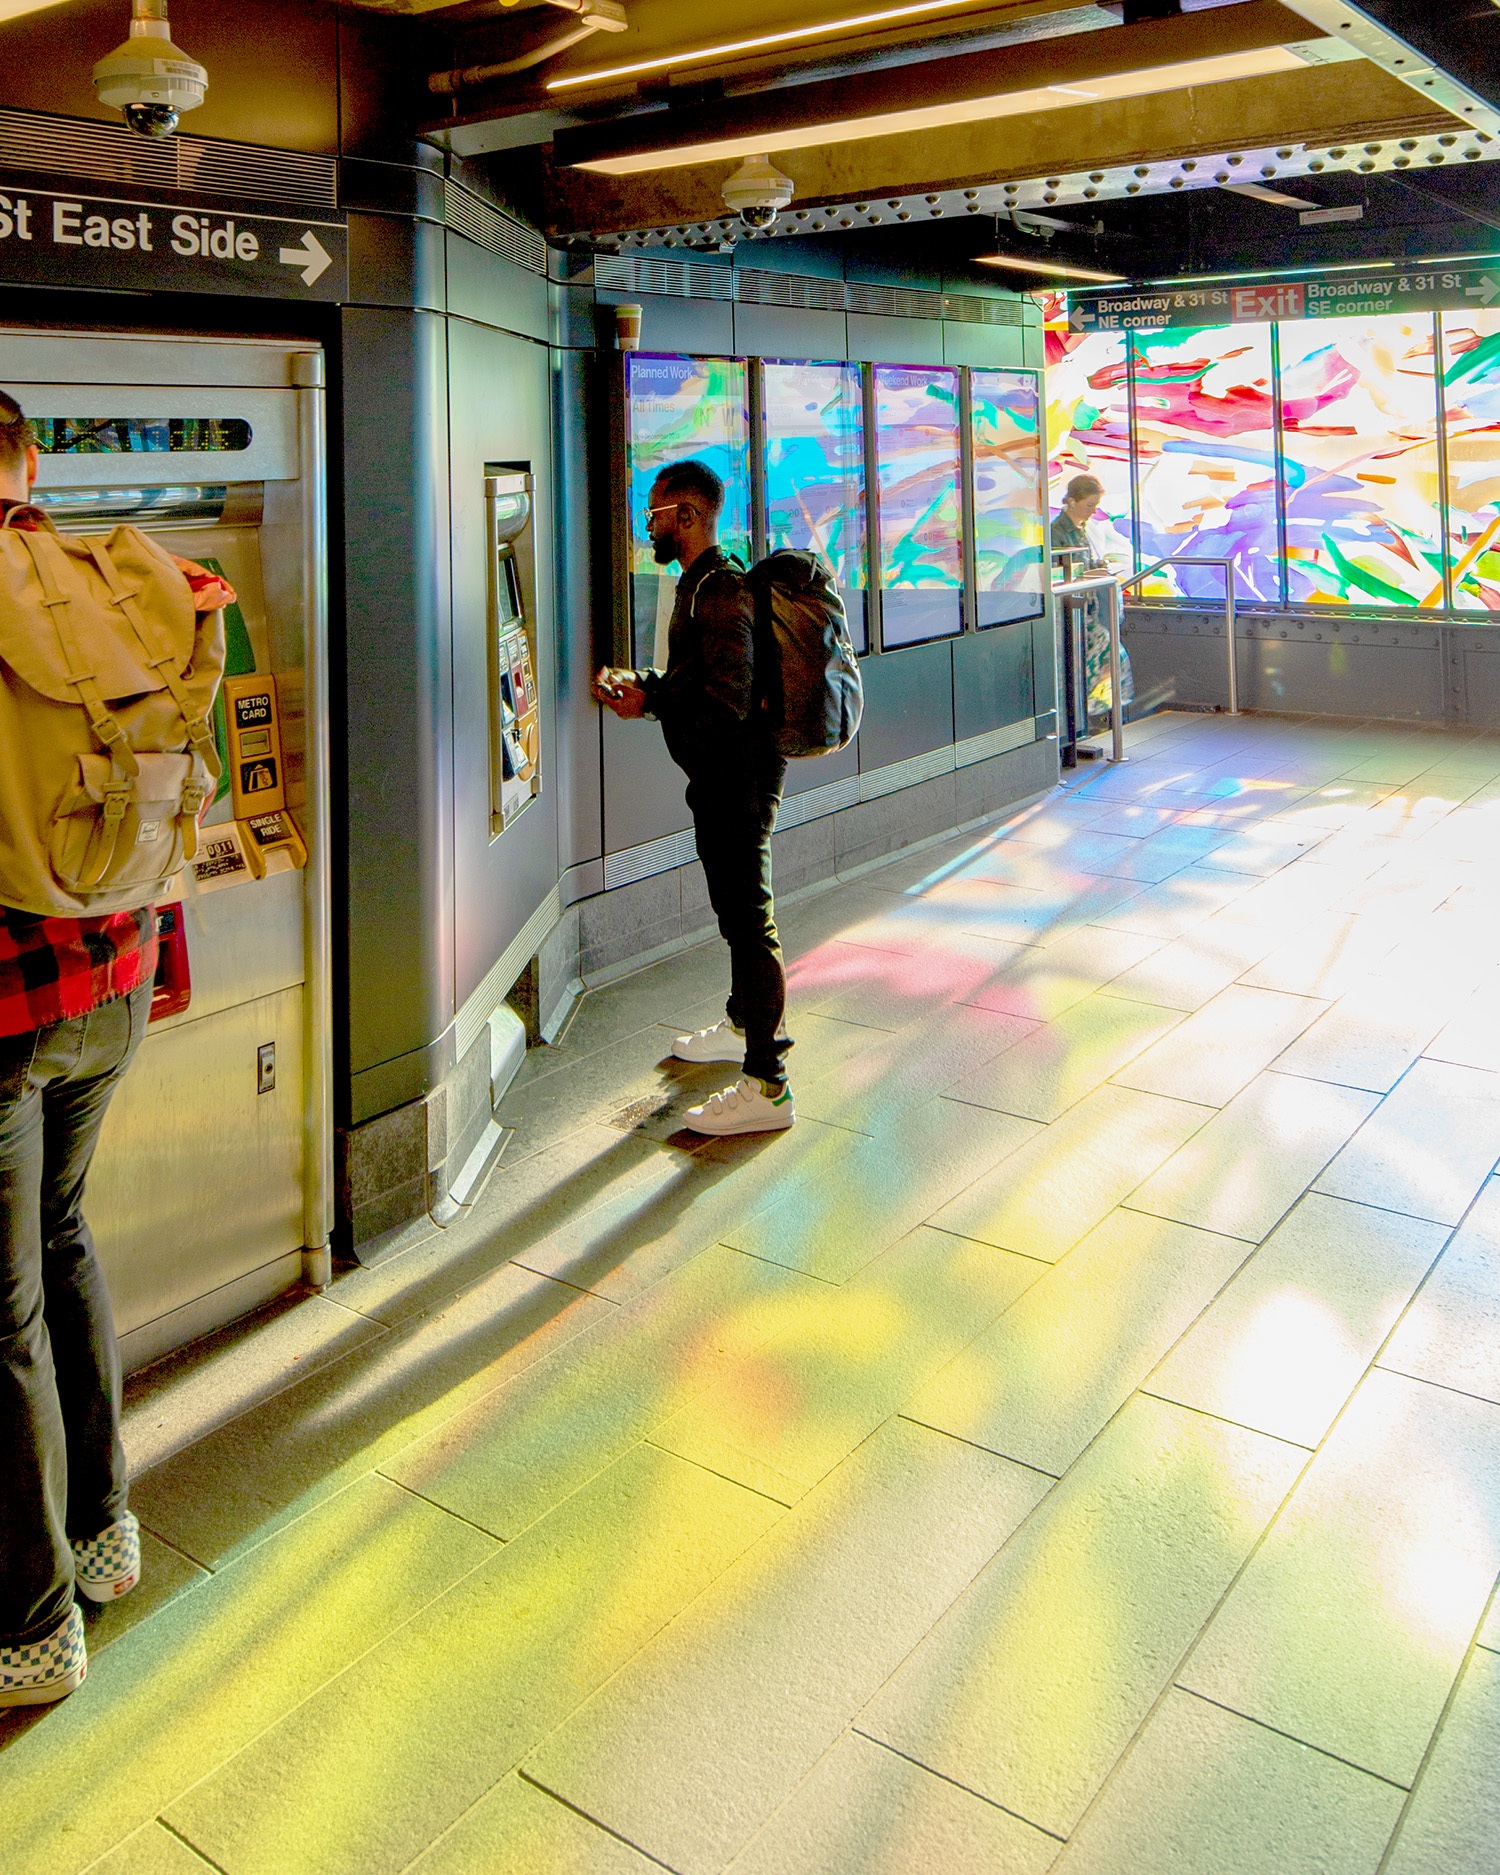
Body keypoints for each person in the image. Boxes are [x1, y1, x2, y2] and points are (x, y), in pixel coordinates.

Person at [0, 391, 233, 1706]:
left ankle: (32, 1624)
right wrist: (166, 962)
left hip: (6, 996)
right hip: (119, 974)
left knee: (2, 1306)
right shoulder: (117, 581)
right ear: (30, 462)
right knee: (66, 1235)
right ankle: (104, 1531)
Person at [592, 459, 794, 1137]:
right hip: (721, 775)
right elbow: (694, 678)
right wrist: (647, 687)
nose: (646, 525)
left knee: (748, 918)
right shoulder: (701, 583)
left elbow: (729, 698)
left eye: (654, 513)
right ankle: (743, 1025)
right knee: (736, 912)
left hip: (737, 777)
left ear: (687, 515)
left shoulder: (721, 587)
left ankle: (768, 1082)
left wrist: (654, 702)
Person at [1051, 472, 1134, 719]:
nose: (1093, 511)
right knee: (1107, 656)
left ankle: (1090, 711)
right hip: (1074, 612)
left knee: (1107, 659)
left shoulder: (1081, 529)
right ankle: (1086, 712)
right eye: (1090, 505)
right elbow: (1059, 572)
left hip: (1087, 610)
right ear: (1072, 501)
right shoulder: (1058, 532)